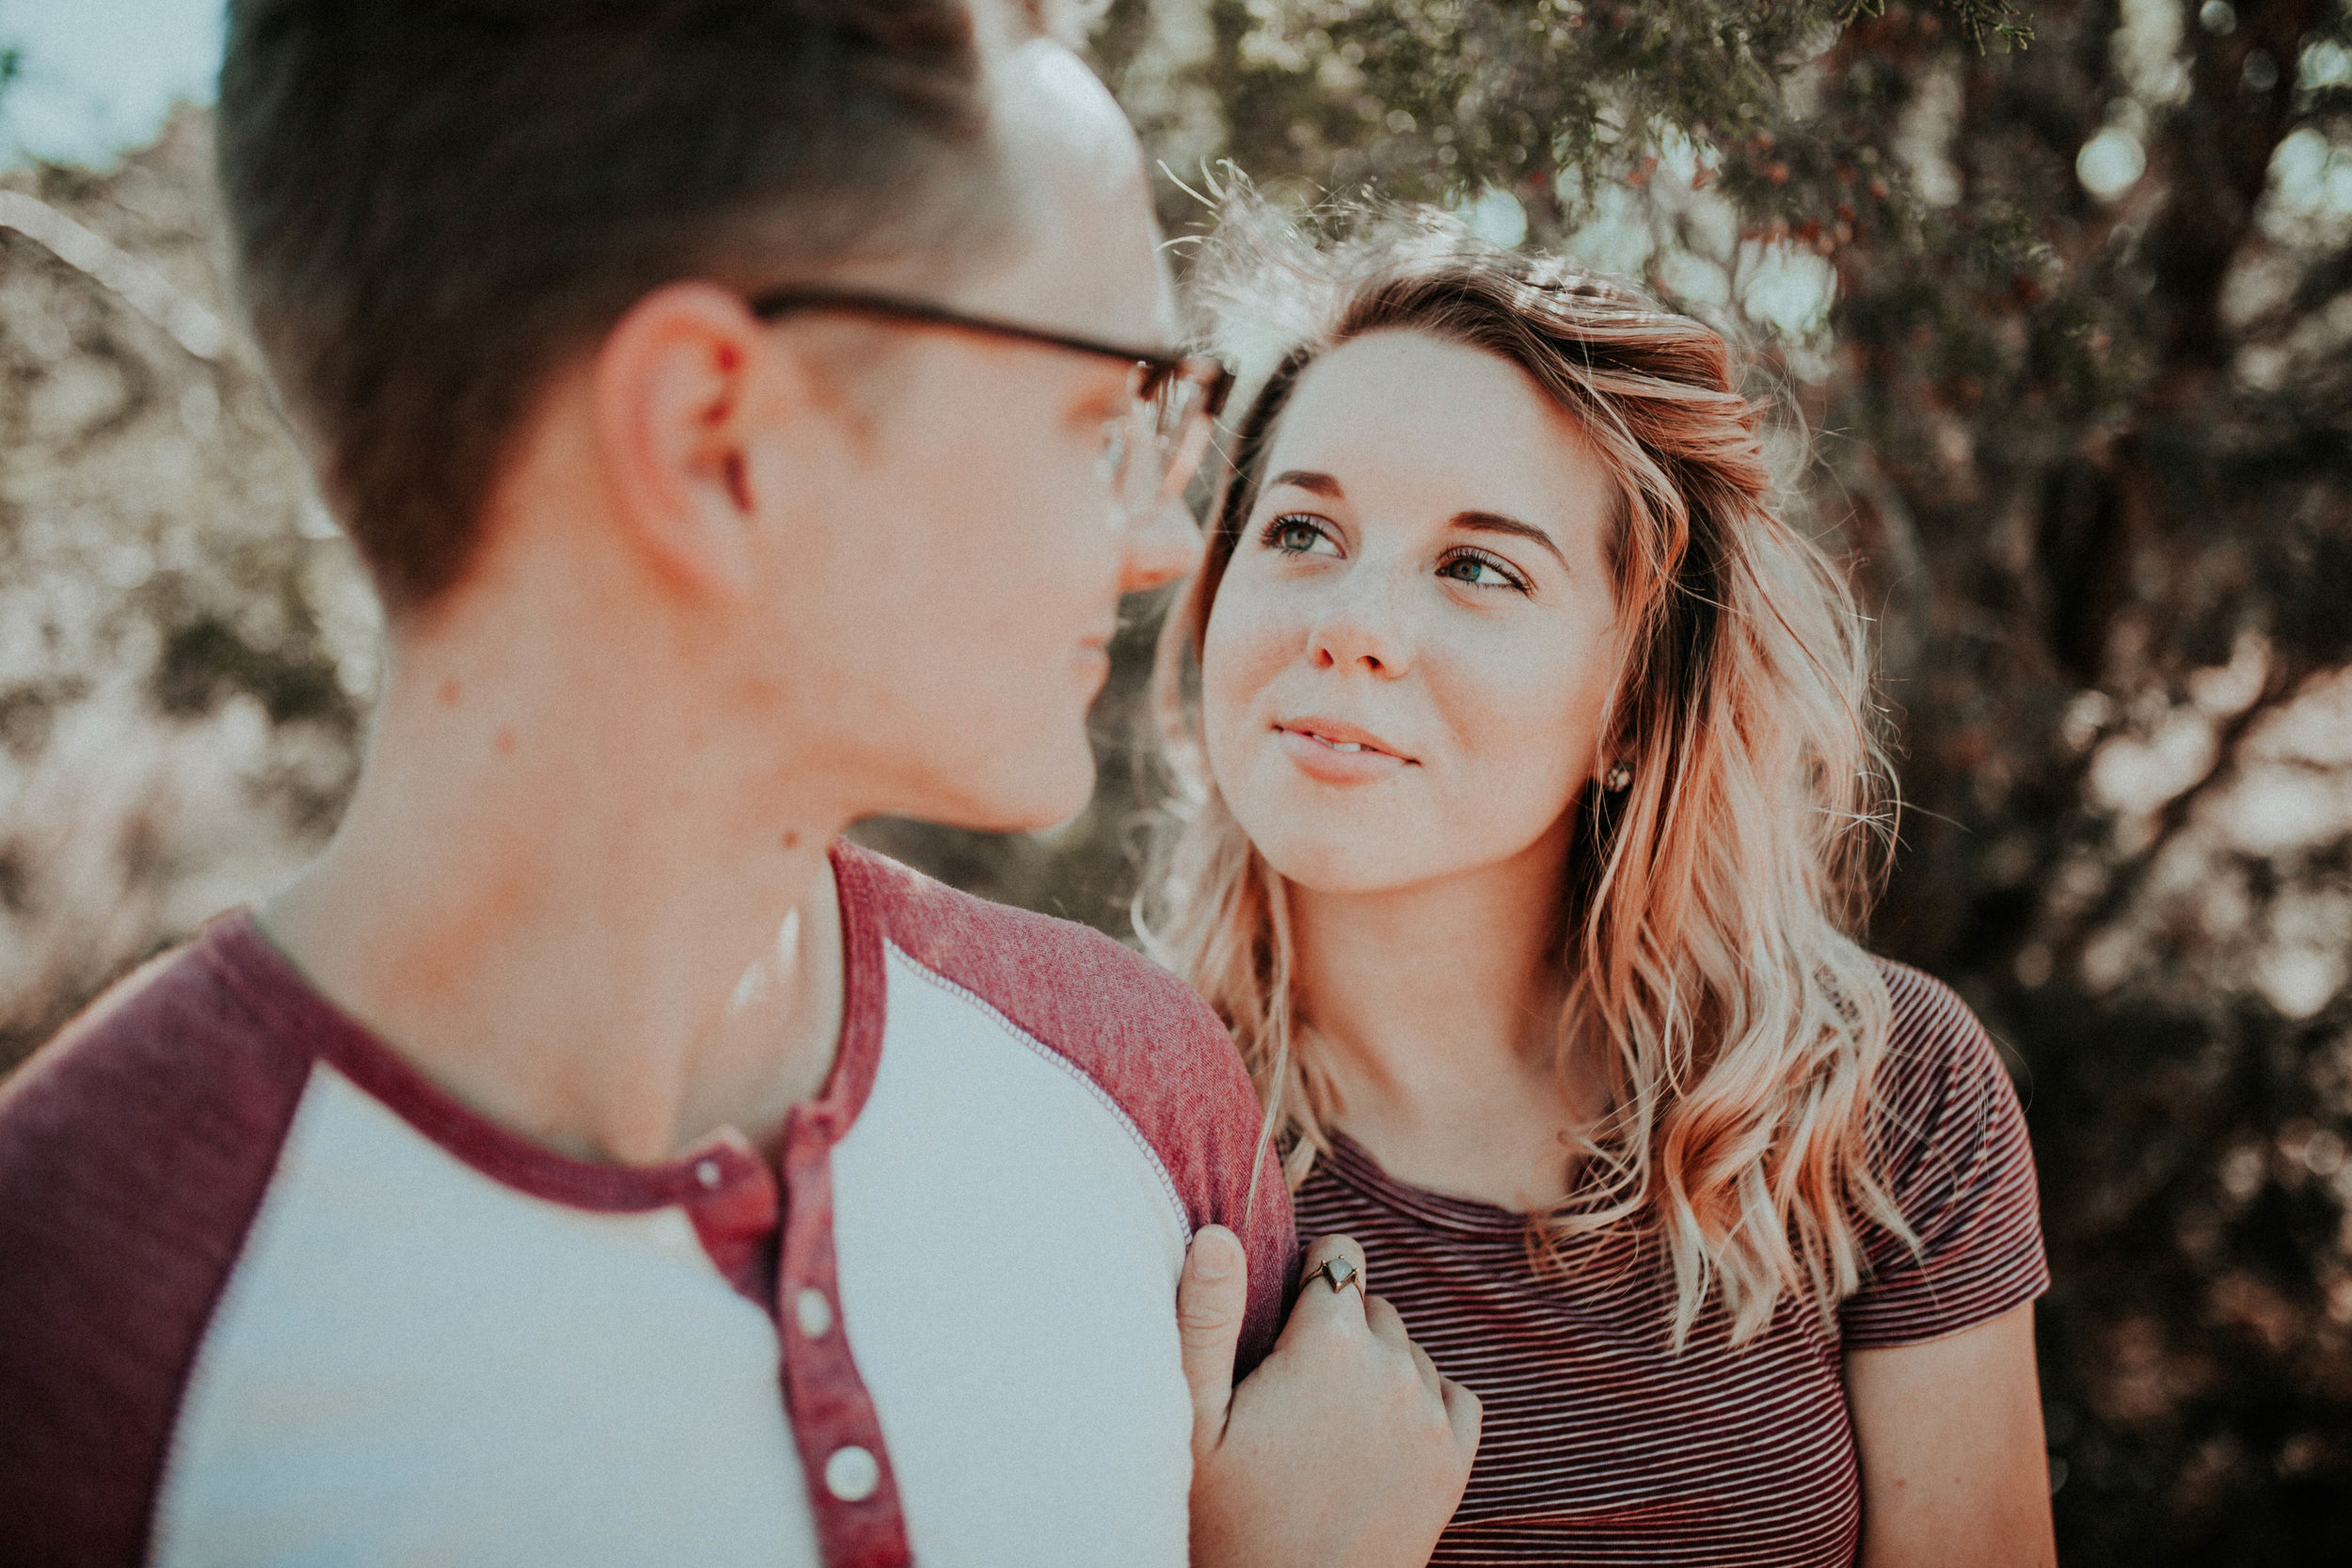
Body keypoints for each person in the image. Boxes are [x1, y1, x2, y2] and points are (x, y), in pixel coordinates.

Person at [0, 7, 1478, 1566]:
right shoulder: (71, 1335)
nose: (1166, 543)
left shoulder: (1141, 1095)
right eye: (1105, 412)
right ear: (715, 438)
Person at [1140, 201, 2058, 1567]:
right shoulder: (1115, 1138)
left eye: (1478, 567)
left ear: (1633, 708)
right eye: (1301, 534)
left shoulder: (1873, 1097)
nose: (1350, 628)